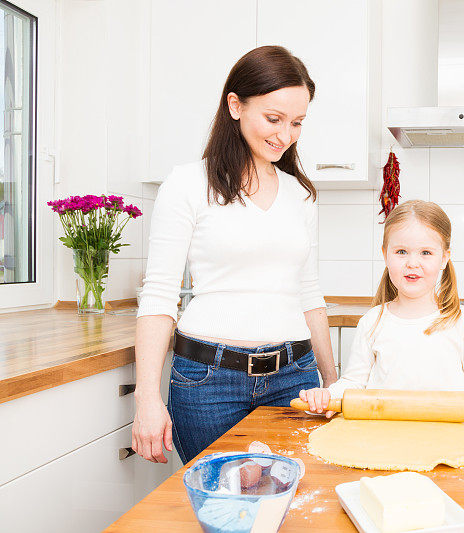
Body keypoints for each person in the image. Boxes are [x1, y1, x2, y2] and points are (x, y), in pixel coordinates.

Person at [132, 46, 337, 464]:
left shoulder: (300, 194)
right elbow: (158, 296)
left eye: (297, 123)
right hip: (208, 383)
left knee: (292, 508)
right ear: (235, 105)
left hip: (295, 378)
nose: (286, 136)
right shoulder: (188, 184)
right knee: (223, 512)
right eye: (274, 119)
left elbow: (309, 294)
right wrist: (147, 399)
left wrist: (335, 385)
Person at [300, 200, 464, 420]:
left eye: (426, 252)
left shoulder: (462, 320)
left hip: (448, 441)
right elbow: (354, 383)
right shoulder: (373, 321)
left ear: (444, 258)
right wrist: (327, 395)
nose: (412, 263)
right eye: (402, 251)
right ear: (386, 254)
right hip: (386, 439)